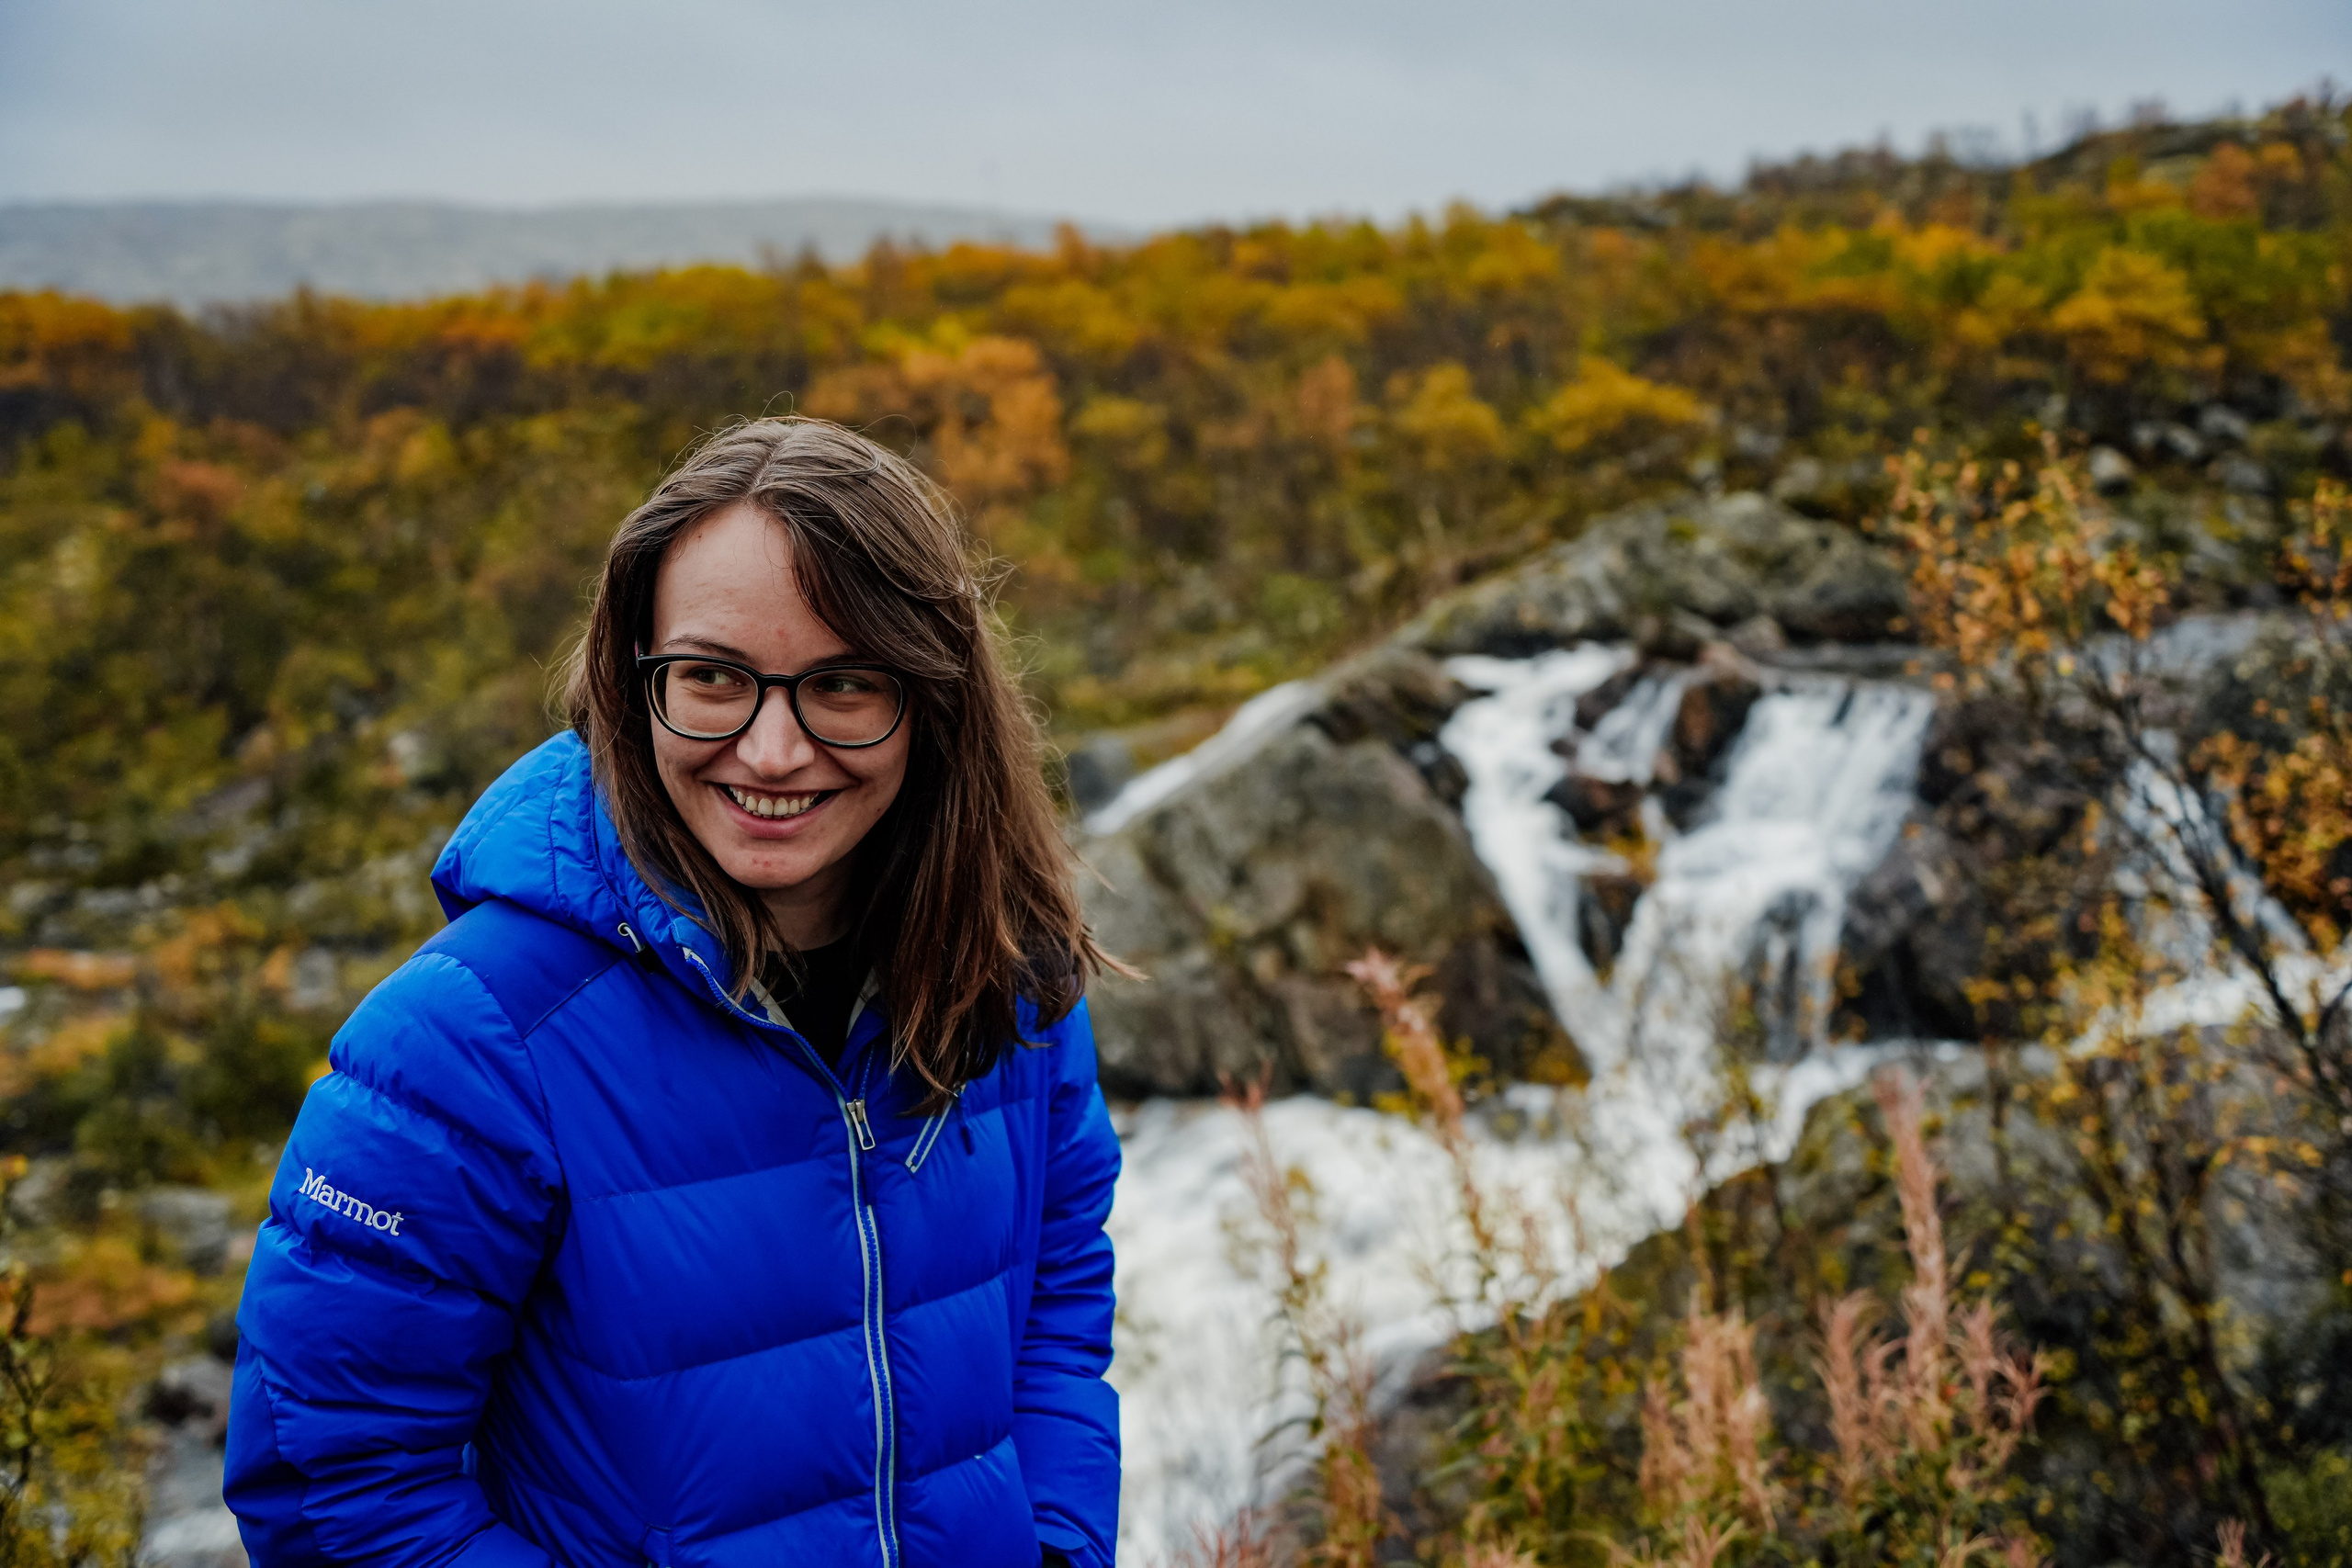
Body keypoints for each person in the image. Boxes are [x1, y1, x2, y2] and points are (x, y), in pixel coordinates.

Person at [223, 418, 1124, 1568]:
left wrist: (1054, 1542)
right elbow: (331, 1486)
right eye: (711, 679)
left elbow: (1053, 1302)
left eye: (843, 684)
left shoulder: (1005, 977)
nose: (772, 750)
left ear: (934, 698)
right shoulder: (464, 1049)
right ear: (629, 678)